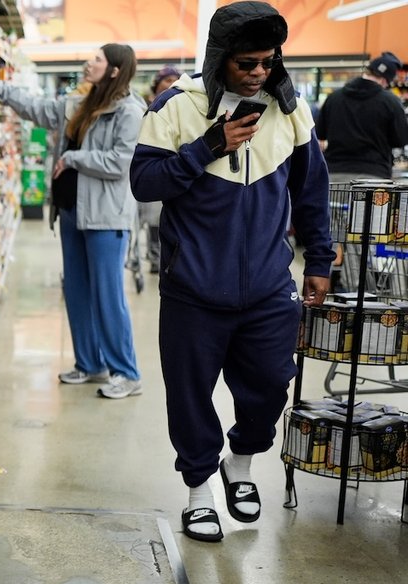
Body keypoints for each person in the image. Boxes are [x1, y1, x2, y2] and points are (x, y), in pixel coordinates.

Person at [129, 1, 334, 542]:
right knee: (190, 394)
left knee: (271, 384)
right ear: (220, 58)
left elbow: (312, 191)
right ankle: (199, 491)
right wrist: (208, 148)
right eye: (247, 63)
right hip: (192, 287)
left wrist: (319, 258)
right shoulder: (175, 107)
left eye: (268, 62)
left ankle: (239, 466)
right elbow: (145, 183)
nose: (259, 73)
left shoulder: (291, 111)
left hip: (269, 286)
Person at [0, 44, 144, 399]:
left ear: (115, 70)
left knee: (107, 295)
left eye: (97, 59)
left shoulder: (130, 112)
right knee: (77, 290)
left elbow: (119, 162)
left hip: (104, 216)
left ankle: (127, 372)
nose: (89, 62)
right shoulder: (80, 104)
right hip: (72, 211)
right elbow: (36, 109)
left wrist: (72, 158)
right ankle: (90, 363)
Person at [316, 51, 408, 183]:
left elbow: (320, 134)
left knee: (335, 204)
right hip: (374, 175)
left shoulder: (334, 98)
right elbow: (400, 140)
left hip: (334, 175)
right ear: (384, 80)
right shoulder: (391, 102)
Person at [140, 66, 182, 275]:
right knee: (152, 218)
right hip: (152, 170)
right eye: (167, 80)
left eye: (175, 80)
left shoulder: (182, 110)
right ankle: (155, 256)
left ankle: (163, 255)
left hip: (174, 171)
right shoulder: (147, 110)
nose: (171, 83)